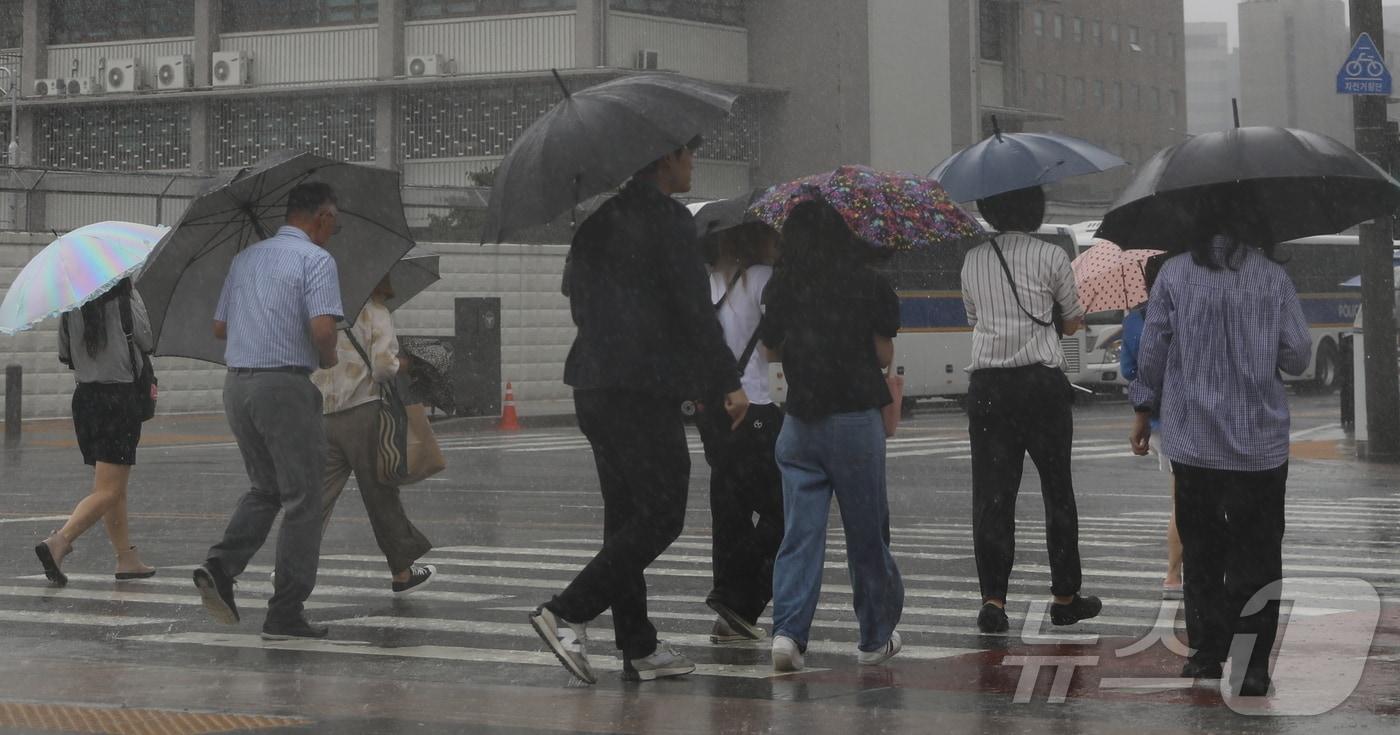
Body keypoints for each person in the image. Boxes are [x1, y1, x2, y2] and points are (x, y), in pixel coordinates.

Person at [528, 137, 749, 685]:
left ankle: (639, 645)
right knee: (662, 514)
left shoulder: (598, 222)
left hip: (593, 385)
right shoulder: (670, 222)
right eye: (688, 152)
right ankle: (566, 611)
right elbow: (696, 312)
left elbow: (575, 298)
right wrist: (728, 381)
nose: (694, 160)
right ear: (663, 158)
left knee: (625, 518)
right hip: (640, 388)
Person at [1128, 216, 1311, 698]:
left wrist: (1143, 407)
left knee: (1203, 550)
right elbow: (1297, 356)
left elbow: (1152, 351)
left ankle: (1206, 653)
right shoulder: (1273, 277)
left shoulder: (1175, 273)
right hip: (1260, 446)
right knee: (1258, 554)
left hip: (1195, 442)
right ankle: (1252, 668)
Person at [193, 182, 344, 641]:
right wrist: (331, 355)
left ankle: (221, 565)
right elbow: (322, 329)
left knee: (266, 488)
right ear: (319, 217)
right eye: (332, 222)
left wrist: (266, 313)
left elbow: (220, 326)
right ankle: (286, 610)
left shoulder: (244, 260)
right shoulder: (316, 260)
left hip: (238, 384)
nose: (333, 231)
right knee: (303, 497)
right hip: (283, 385)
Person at [761, 199, 905, 672]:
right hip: (854, 420)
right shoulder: (869, 283)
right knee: (867, 534)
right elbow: (883, 356)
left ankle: (787, 635)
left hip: (800, 421)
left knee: (800, 535)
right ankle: (873, 638)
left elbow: (772, 350)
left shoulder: (783, 283)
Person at [959, 185, 1101, 634]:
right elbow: (1074, 320)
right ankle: (1064, 597)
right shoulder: (1052, 256)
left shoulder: (972, 260)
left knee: (993, 496)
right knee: (1057, 491)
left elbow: (974, 320)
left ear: (988, 207)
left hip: (987, 388)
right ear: (1035, 208)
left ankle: (993, 600)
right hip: (1041, 387)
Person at [312, 275, 436, 598]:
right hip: (363, 411)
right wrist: (402, 364)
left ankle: (289, 568)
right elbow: (382, 368)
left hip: (324, 412)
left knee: (317, 498)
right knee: (380, 493)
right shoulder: (375, 310)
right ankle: (402, 572)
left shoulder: (324, 309)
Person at [696, 223, 785, 644]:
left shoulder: (708, 281)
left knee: (728, 510)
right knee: (783, 511)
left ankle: (728, 619)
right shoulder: (766, 279)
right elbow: (772, 350)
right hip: (756, 406)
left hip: (714, 408)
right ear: (758, 239)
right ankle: (736, 598)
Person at [35, 279, 157, 585]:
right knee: (109, 489)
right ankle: (60, 541)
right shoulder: (125, 295)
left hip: (86, 399)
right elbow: (146, 338)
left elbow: (65, 353)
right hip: (119, 398)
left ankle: (126, 557)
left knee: (112, 484)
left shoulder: (71, 303)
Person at [1118, 254, 1183, 601]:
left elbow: (1131, 371)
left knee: (1181, 497)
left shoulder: (1135, 321)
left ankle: (1174, 574)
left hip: (1157, 419)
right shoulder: (1188, 308)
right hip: (1192, 414)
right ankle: (1179, 573)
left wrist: (1141, 413)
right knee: (1193, 497)